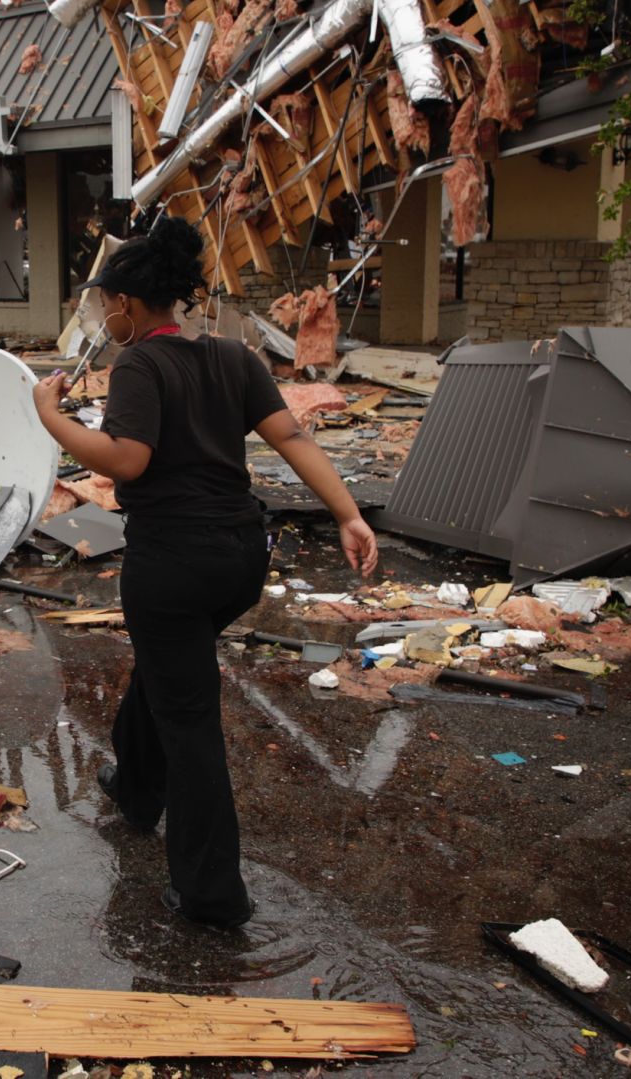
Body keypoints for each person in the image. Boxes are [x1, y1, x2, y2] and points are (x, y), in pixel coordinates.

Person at [32, 216, 377, 929]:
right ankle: (133, 787)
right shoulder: (234, 356)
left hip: (172, 561)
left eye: (103, 305)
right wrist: (349, 514)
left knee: (189, 718)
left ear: (127, 303)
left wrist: (50, 419)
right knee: (168, 671)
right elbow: (291, 436)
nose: (101, 317)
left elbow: (127, 460)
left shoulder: (139, 364)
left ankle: (211, 894)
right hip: (239, 557)